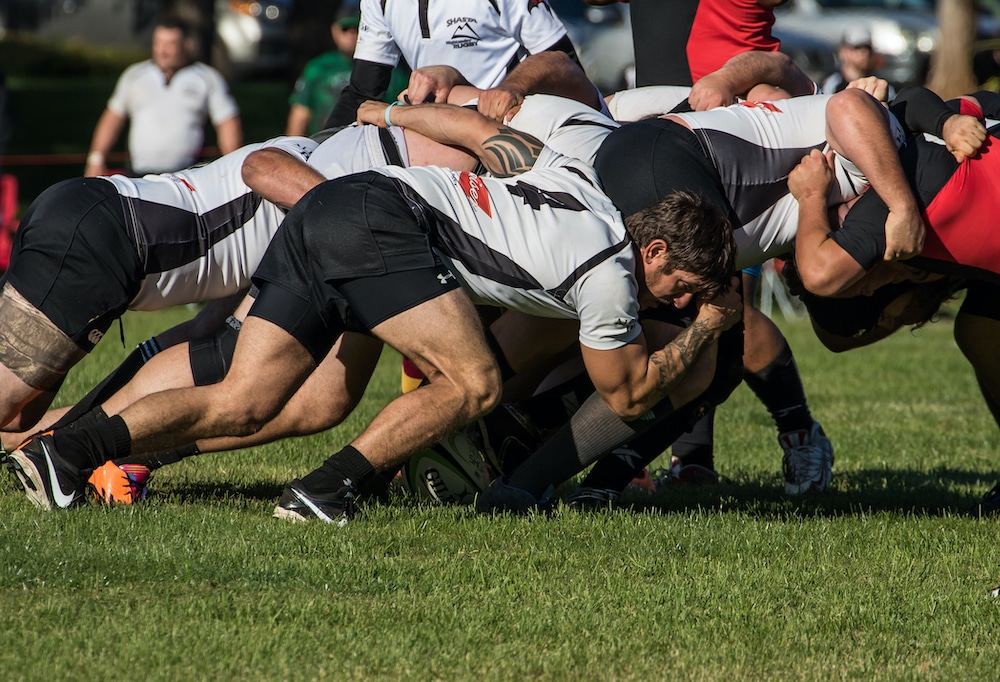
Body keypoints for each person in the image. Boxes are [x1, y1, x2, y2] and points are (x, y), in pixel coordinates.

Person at [5, 110, 742, 517]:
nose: (677, 302)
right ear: (650, 250)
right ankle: (327, 491)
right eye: (680, 284)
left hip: (337, 209)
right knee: (477, 380)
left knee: (250, 398)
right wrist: (710, 326)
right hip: (372, 221)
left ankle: (65, 453)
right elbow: (628, 392)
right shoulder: (610, 276)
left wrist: (396, 109)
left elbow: (507, 133)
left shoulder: (575, 174)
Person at [475, 86, 929, 512]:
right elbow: (849, 104)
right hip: (655, 174)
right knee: (688, 355)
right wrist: (902, 206)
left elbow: (785, 83)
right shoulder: (886, 155)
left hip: (641, 164)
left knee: (693, 351)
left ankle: (518, 452)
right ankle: (513, 454)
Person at [0, 136, 316, 434]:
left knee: (20, 418)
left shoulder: (306, 172)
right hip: (102, 238)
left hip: (93, 212)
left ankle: (44, 453)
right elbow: (259, 166)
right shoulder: (311, 174)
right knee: (6, 404)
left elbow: (207, 327)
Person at [324, 0, 578, 126]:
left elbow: (565, 63)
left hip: (511, 126)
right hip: (437, 129)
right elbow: (363, 91)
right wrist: (316, 150)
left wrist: (512, 88)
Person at [84, 17, 243, 177]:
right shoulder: (135, 75)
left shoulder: (207, 78)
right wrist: (96, 159)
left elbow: (227, 122)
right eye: (158, 43)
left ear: (187, 45)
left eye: (170, 44)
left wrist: (232, 166)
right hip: (139, 177)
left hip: (187, 178)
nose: (163, 51)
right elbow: (112, 118)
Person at [285, 5, 409, 137]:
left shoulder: (391, 71)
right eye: (345, 29)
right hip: (322, 143)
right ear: (334, 31)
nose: (351, 34)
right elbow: (300, 114)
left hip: (368, 145)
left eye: (357, 28)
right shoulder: (318, 67)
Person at [821, 26, 896, 99]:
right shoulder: (833, 83)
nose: (865, 53)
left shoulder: (880, 84)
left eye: (868, 48)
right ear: (843, 52)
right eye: (857, 48)